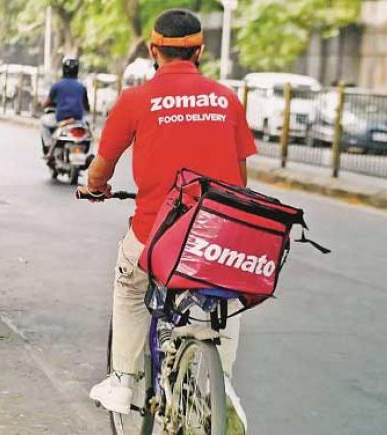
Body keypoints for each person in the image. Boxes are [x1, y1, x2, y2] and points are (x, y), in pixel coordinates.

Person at [81, 9, 255, 433]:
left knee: (129, 284)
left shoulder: (136, 100)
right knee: (227, 295)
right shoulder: (226, 99)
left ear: (154, 50)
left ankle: (123, 378)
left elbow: (101, 169)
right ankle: (222, 384)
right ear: (200, 50)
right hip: (217, 234)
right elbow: (240, 181)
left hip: (157, 236)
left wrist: (96, 187)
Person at [40, 57, 91, 155]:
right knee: (88, 129)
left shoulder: (57, 86)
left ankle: (48, 145)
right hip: (78, 120)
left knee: (43, 121)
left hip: (61, 120)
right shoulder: (81, 87)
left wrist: (43, 105)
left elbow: (47, 103)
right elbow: (86, 106)